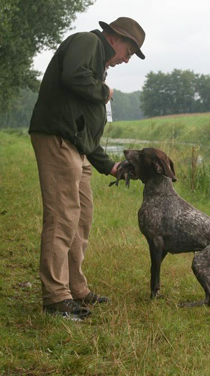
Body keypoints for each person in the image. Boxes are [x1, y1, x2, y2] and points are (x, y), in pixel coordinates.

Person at [29, 17, 146, 320]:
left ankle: (76, 288)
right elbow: (74, 77)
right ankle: (56, 298)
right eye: (128, 52)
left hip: (76, 147)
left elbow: (85, 130)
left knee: (81, 217)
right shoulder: (88, 42)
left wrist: (110, 166)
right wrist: (104, 91)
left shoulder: (99, 62)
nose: (126, 60)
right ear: (116, 38)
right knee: (63, 215)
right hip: (57, 139)